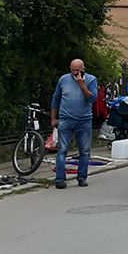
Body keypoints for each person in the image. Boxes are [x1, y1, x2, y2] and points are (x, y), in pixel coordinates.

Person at [50, 58, 98, 188]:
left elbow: (93, 98)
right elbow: (56, 98)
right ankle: (60, 179)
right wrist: (53, 118)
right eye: (73, 70)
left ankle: (82, 177)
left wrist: (82, 85)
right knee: (62, 149)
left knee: (84, 150)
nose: (75, 73)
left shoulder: (91, 79)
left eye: (78, 70)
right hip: (66, 119)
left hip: (84, 120)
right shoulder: (63, 79)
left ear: (83, 69)